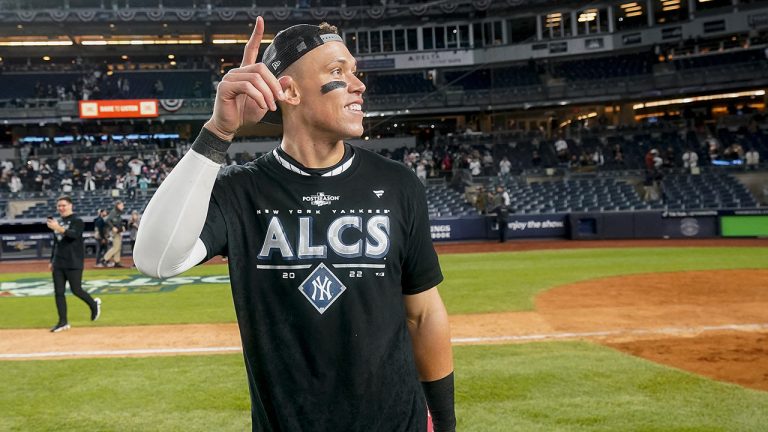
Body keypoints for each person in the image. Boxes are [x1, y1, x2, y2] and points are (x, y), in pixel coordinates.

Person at [134, 18, 455, 432]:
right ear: (288, 90)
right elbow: (154, 259)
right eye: (338, 72)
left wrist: (444, 423)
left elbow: (424, 314)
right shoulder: (240, 191)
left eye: (354, 71)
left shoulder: (396, 183)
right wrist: (219, 131)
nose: (358, 85)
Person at [47, 196, 101, 332]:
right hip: (58, 262)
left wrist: (58, 228)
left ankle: (93, 304)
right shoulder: (58, 222)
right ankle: (62, 322)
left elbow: (74, 235)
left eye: (64, 205)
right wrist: (51, 260)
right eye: (59, 206)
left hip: (73, 261)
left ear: (70, 205)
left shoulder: (77, 221)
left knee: (76, 290)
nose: (61, 208)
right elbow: (56, 243)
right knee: (58, 293)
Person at [102, 200, 125, 268]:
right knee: (116, 247)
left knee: (118, 247)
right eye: (121, 205)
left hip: (118, 231)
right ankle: (105, 259)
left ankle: (117, 262)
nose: (123, 206)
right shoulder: (114, 211)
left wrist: (122, 227)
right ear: (118, 205)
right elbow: (107, 220)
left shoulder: (118, 212)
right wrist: (113, 227)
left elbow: (118, 221)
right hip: (114, 232)